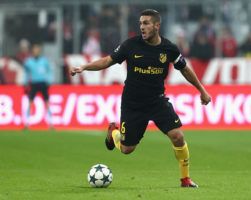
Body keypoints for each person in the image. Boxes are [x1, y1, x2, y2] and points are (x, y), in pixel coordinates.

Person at [70, 9, 211, 188]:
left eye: (146, 23)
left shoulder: (169, 49)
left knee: (178, 136)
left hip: (157, 101)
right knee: (127, 149)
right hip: (133, 104)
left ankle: (185, 179)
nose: (142, 27)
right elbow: (107, 61)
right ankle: (114, 130)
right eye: (140, 24)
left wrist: (202, 90)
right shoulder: (130, 45)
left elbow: (184, 69)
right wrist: (84, 67)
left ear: (157, 26)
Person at [24, 44, 54, 129]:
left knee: (47, 103)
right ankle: (27, 123)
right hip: (34, 83)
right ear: (32, 52)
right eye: (34, 50)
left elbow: (50, 71)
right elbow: (26, 73)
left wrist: (50, 81)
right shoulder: (29, 61)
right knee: (30, 102)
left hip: (43, 83)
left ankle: (51, 123)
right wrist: (25, 83)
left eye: (37, 50)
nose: (36, 52)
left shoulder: (44, 61)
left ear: (39, 51)